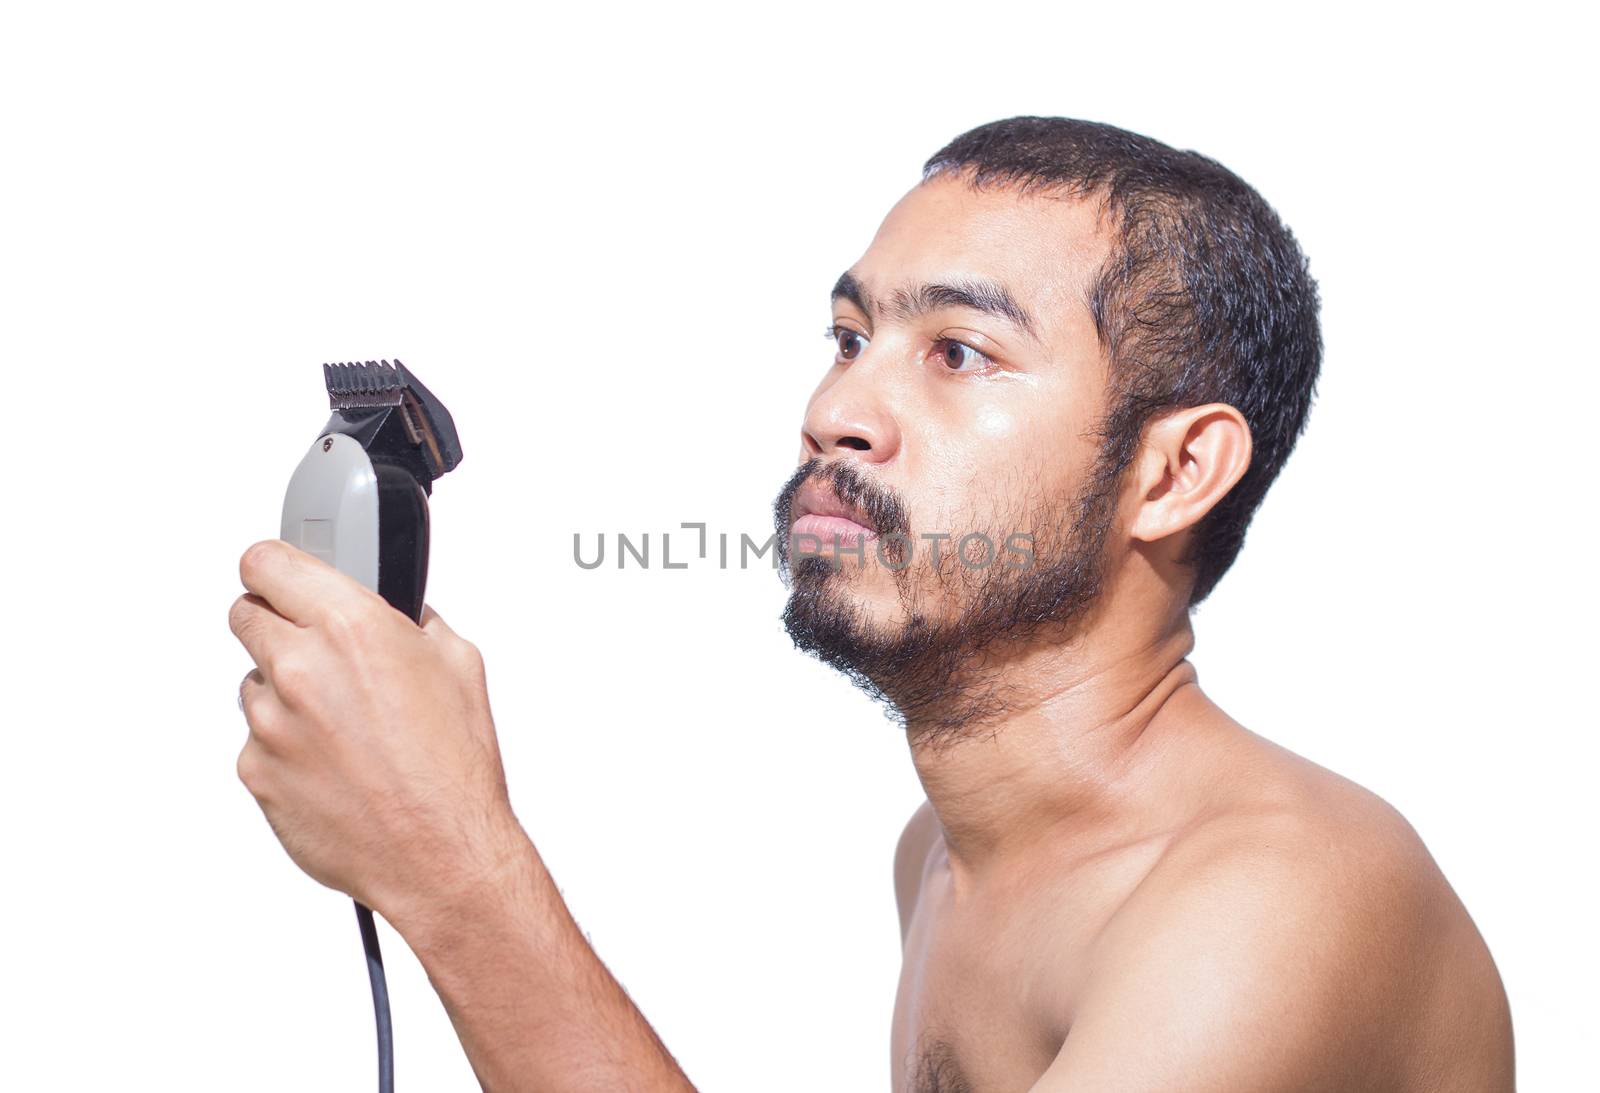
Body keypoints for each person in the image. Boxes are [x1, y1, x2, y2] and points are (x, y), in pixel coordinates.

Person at [229, 116, 1514, 1092]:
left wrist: (451, 862)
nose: (833, 413)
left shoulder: (1270, 902)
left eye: (957, 352)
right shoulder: (946, 856)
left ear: (1173, 472)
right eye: (850, 338)